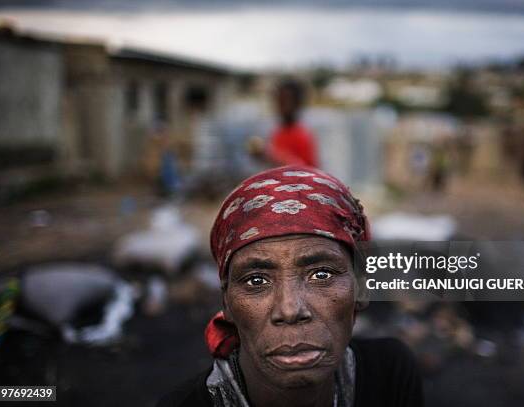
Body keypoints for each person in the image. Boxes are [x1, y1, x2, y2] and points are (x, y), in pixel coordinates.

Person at [158, 165, 423, 407]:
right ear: (227, 302)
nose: (289, 309)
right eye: (256, 281)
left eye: (321, 274)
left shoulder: (390, 375)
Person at [250, 79, 318, 168]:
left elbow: (306, 169)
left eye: (286, 100)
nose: (281, 104)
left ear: (297, 103)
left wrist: (270, 155)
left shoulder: (303, 135)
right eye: (278, 100)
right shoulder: (277, 132)